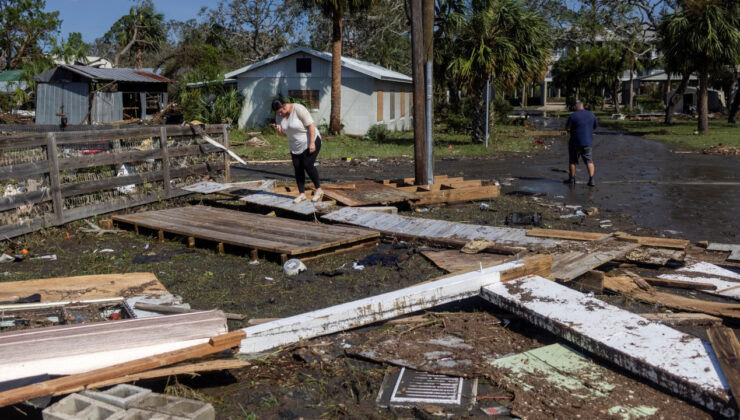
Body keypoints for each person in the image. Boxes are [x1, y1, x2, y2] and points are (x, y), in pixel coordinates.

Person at [271, 99, 324, 203]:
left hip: (310, 140)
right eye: (278, 113)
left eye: (281, 111)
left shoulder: (298, 109)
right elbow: (283, 134)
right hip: (295, 145)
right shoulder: (279, 115)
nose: (280, 114)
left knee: (307, 164)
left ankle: (319, 189)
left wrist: (312, 143)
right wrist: (278, 131)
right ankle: (302, 194)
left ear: (285, 106)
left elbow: (311, 126)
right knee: (297, 167)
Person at [564, 101, 598, 186]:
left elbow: (567, 128)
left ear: (576, 107)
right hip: (588, 142)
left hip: (575, 142)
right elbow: (595, 127)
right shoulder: (591, 115)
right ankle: (591, 179)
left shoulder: (573, 116)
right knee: (589, 160)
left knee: (573, 160)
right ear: (583, 107)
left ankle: (572, 179)